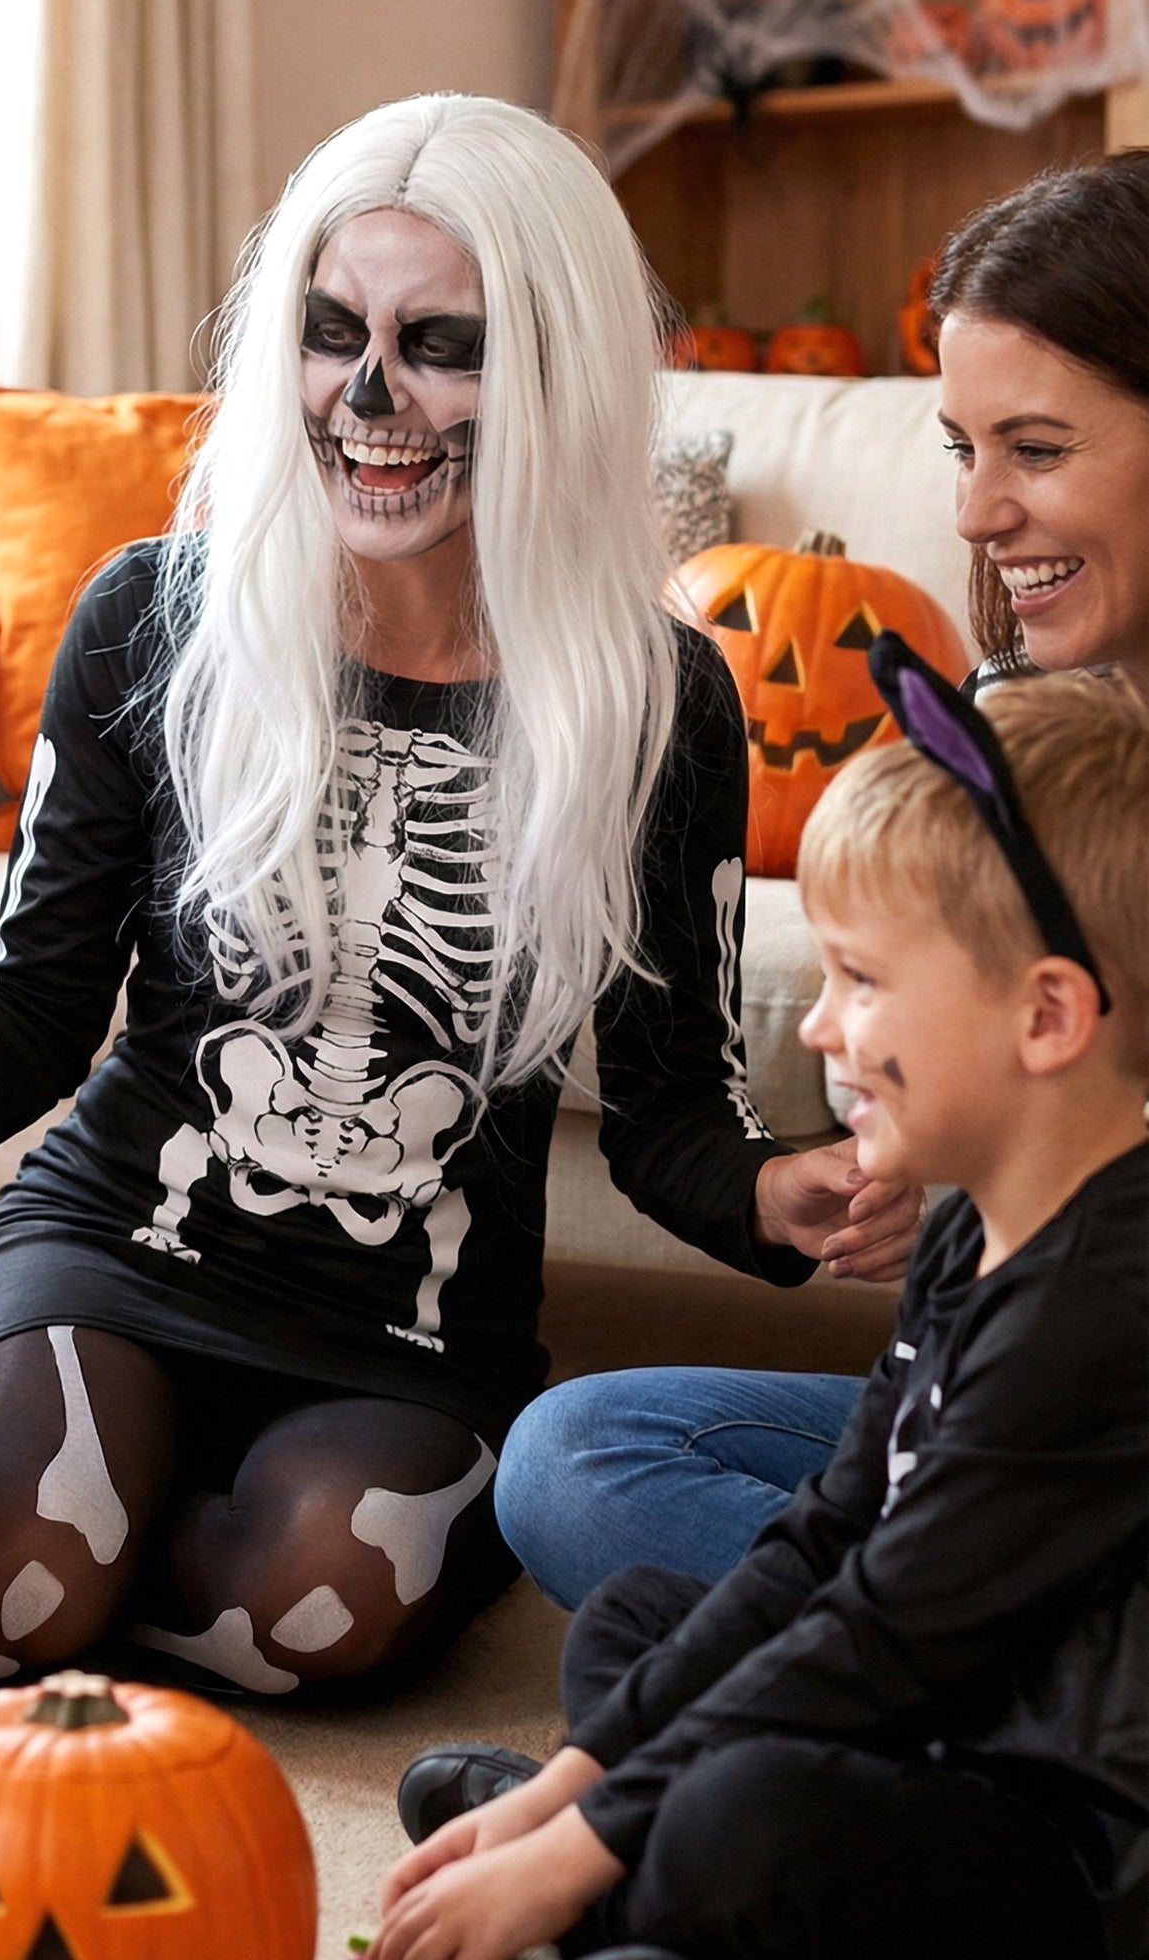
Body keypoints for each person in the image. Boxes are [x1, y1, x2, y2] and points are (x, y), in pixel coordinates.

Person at [0, 93, 919, 1703]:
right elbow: (37, 999)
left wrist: (775, 1197)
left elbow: (669, 1111)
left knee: (312, 1617)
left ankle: (87, 1533)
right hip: (120, 1239)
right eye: (328, 335)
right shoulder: (154, 619)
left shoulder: (655, 700)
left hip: (412, 1318)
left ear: (557, 373)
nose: (366, 395)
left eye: (439, 345)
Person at [473, 147, 1149, 1649]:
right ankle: (961, 1684)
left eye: (1032, 449)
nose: (976, 515)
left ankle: (869, 1715)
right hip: (1014, 1419)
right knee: (576, 1461)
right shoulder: (999, 721)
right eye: (959, 449)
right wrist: (951, 1170)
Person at [376, 659, 1147, 1960]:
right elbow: (826, 1531)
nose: (821, 1030)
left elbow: (883, 1626)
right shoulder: (970, 1208)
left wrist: (583, 1837)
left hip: (1070, 1821)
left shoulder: (1101, 1307)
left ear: (1045, 1016)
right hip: (951, 1709)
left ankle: (637, 1885)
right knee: (634, 1617)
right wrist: (579, 1792)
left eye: (860, 982)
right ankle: (641, 1876)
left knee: (740, 1813)